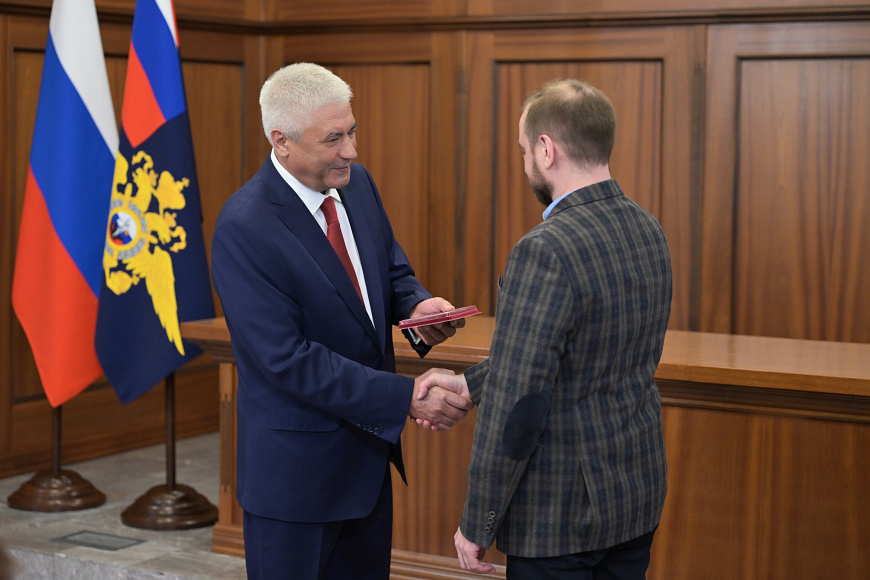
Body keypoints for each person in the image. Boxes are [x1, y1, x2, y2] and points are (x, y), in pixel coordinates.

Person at [211, 62, 474, 580]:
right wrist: (405, 396)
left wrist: (416, 307)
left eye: (351, 131)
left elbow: (390, 272)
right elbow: (287, 360)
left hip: (367, 468)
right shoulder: (244, 226)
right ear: (281, 141)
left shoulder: (356, 185)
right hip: (297, 484)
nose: (351, 151)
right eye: (333, 139)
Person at [418, 79, 673, 579]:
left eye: (523, 150)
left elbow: (520, 402)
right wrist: (470, 383)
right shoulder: (648, 229)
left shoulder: (544, 250)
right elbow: (583, 355)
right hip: (634, 497)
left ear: (546, 149)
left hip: (560, 519)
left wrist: (478, 520)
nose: (525, 163)